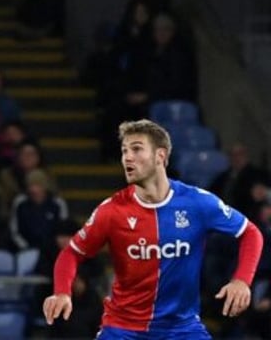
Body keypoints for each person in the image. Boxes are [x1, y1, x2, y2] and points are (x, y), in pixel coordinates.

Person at [43, 119, 264, 339]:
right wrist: (62, 292)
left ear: (161, 156)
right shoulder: (111, 211)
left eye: (136, 149)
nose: (127, 157)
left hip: (182, 328)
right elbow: (71, 253)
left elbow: (250, 232)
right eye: (124, 151)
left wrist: (241, 280)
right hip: (123, 329)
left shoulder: (197, 202)